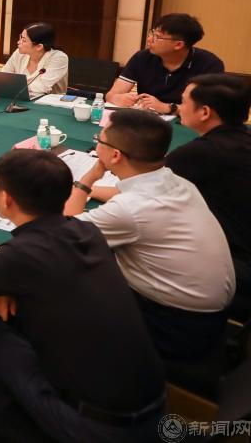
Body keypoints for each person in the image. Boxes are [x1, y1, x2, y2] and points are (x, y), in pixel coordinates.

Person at [0, 149, 165, 442]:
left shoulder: (23, 254)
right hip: (154, 402)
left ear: (6, 199)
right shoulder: (88, 230)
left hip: (101, 427)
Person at [64, 108, 234, 360]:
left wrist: (86, 180)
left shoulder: (128, 210)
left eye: (99, 140)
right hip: (212, 313)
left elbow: (64, 233)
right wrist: (91, 189)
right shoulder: (178, 181)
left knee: (63, 285)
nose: (96, 144)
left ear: (115, 155)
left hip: (175, 326)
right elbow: (130, 197)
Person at [167, 74, 251, 314]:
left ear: (204, 112)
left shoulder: (203, 153)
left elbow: (142, 187)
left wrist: (84, 185)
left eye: (183, 102)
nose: (179, 107)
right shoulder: (242, 138)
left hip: (233, 264)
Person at [107, 13, 224, 113]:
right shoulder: (142, 57)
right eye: (152, 33)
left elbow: (207, 109)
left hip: (187, 125)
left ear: (178, 45)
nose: (149, 39)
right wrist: (117, 98)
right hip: (147, 120)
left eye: (157, 37)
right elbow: (111, 95)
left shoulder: (209, 64)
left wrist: (168, 108)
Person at [0, 22, 69, 96]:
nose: (18, 42)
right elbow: (3, 77)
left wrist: (13, 83)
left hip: (49, 101)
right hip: (19, 97)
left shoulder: (59, 58)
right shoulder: (19, 53)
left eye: (24, 40)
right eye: (20, 37)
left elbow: (42, 87)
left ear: (39, 47)